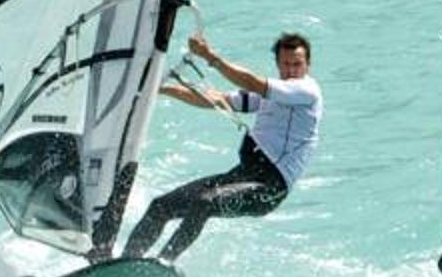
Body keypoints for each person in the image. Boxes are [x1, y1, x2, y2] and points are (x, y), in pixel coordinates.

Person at [119, 30, 324, 261]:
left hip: (269, 188)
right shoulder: (271, 95)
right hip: (242, 176)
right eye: (286, 64)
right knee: (161, 205)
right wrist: (161, 89)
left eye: (297, 64)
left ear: (308, 65)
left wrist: (210, 56)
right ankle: (125, 264)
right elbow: (218, 100)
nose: (291, 71)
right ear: (277, 64)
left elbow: (253, 83)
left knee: (204, 202)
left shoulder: (307, 91)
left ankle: (163, 262)